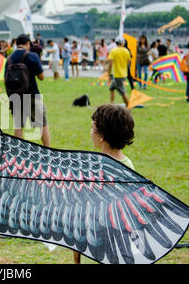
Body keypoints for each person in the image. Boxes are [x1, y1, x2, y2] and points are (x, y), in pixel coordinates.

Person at [72, 103, 136, 264]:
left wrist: (76, 257)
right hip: (122, 251)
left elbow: (81, 218)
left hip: (93, 250)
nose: (90, 132)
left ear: (101, 136)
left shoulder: (92, 170)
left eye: (93, 128)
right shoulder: (129, 168)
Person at [7, 34, 51, 147]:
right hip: (31, 95)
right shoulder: (32, 56)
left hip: (15, 96)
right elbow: (41, 77)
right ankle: (48, 150)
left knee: (18, 126)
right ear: (27, 44)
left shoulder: (10, 58)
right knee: (42, 124)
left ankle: (18, 152)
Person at [106, 37, 131, 106]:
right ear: (123, 43)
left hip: (117, 75)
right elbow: (129, 62)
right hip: (123, 74)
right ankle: (111, 104)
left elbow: (110, 63)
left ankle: (129, 107)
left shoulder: (113, 51)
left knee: (123, 92)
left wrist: (108, 73)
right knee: (111, 88)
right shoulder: (126, 51)